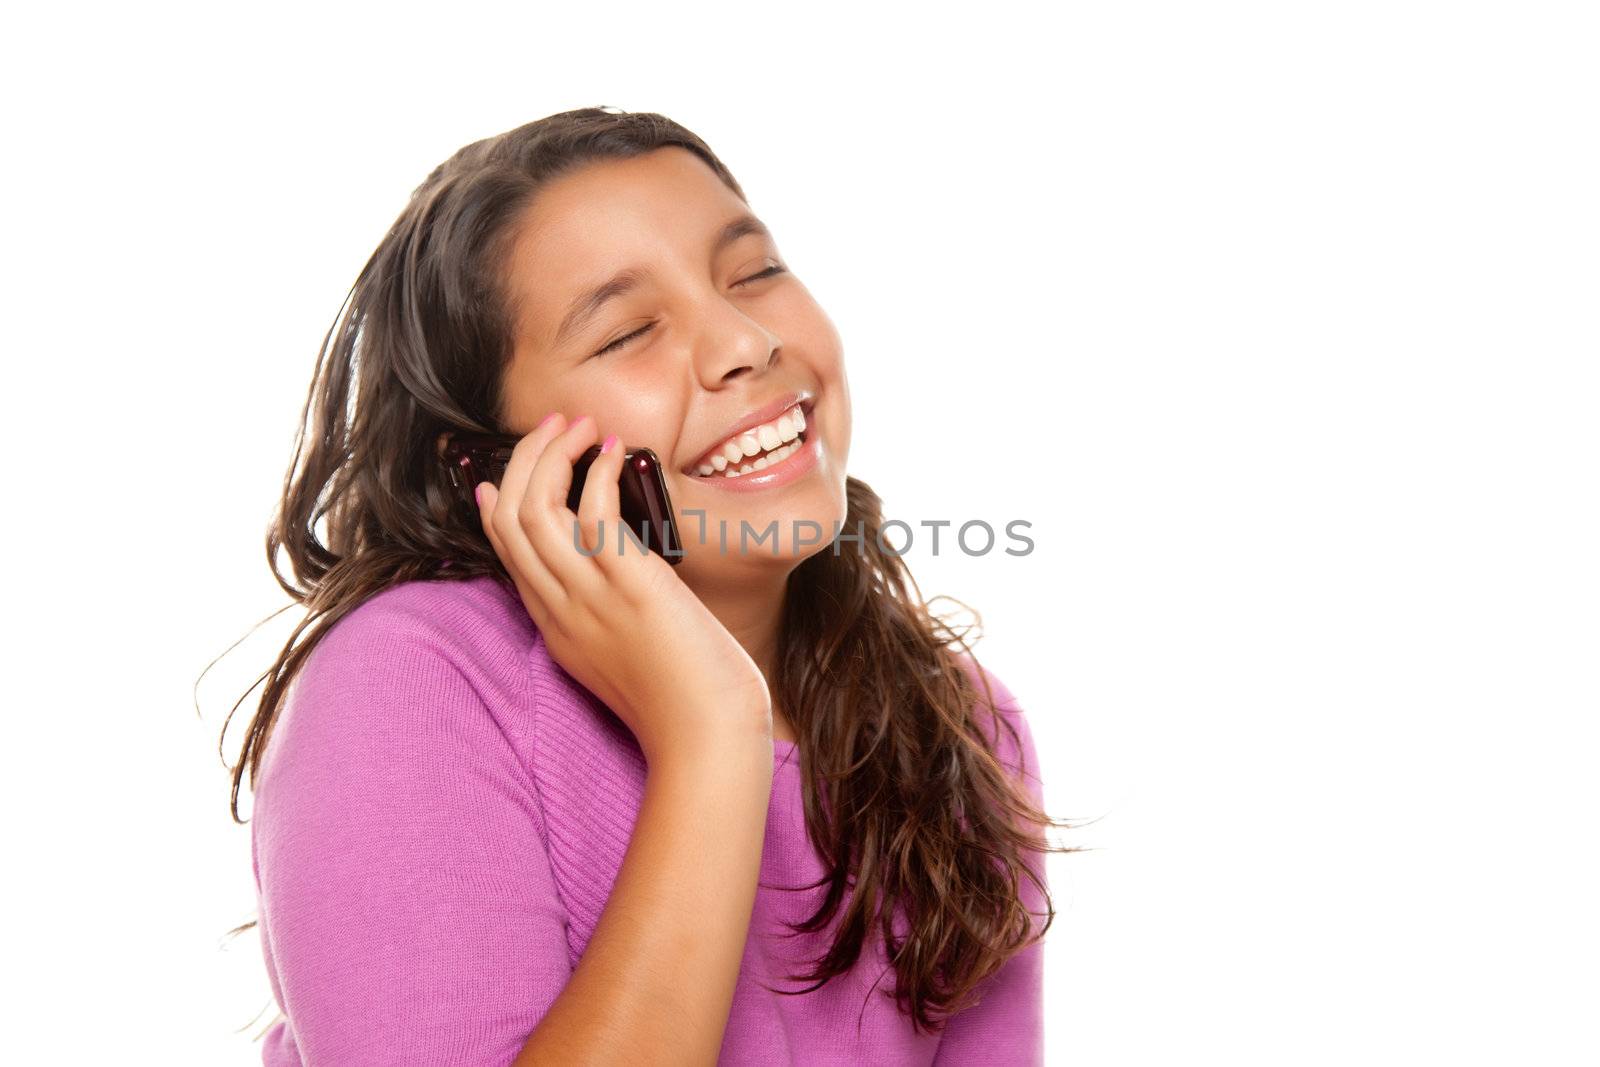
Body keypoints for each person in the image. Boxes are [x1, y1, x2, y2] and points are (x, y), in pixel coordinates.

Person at [224, 106, 1072, 1065]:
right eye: (629, 331)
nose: (743, 341)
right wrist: (710, 735)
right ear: (493, 467)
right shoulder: (409, 680)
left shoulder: (961, 719)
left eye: (753, 271)